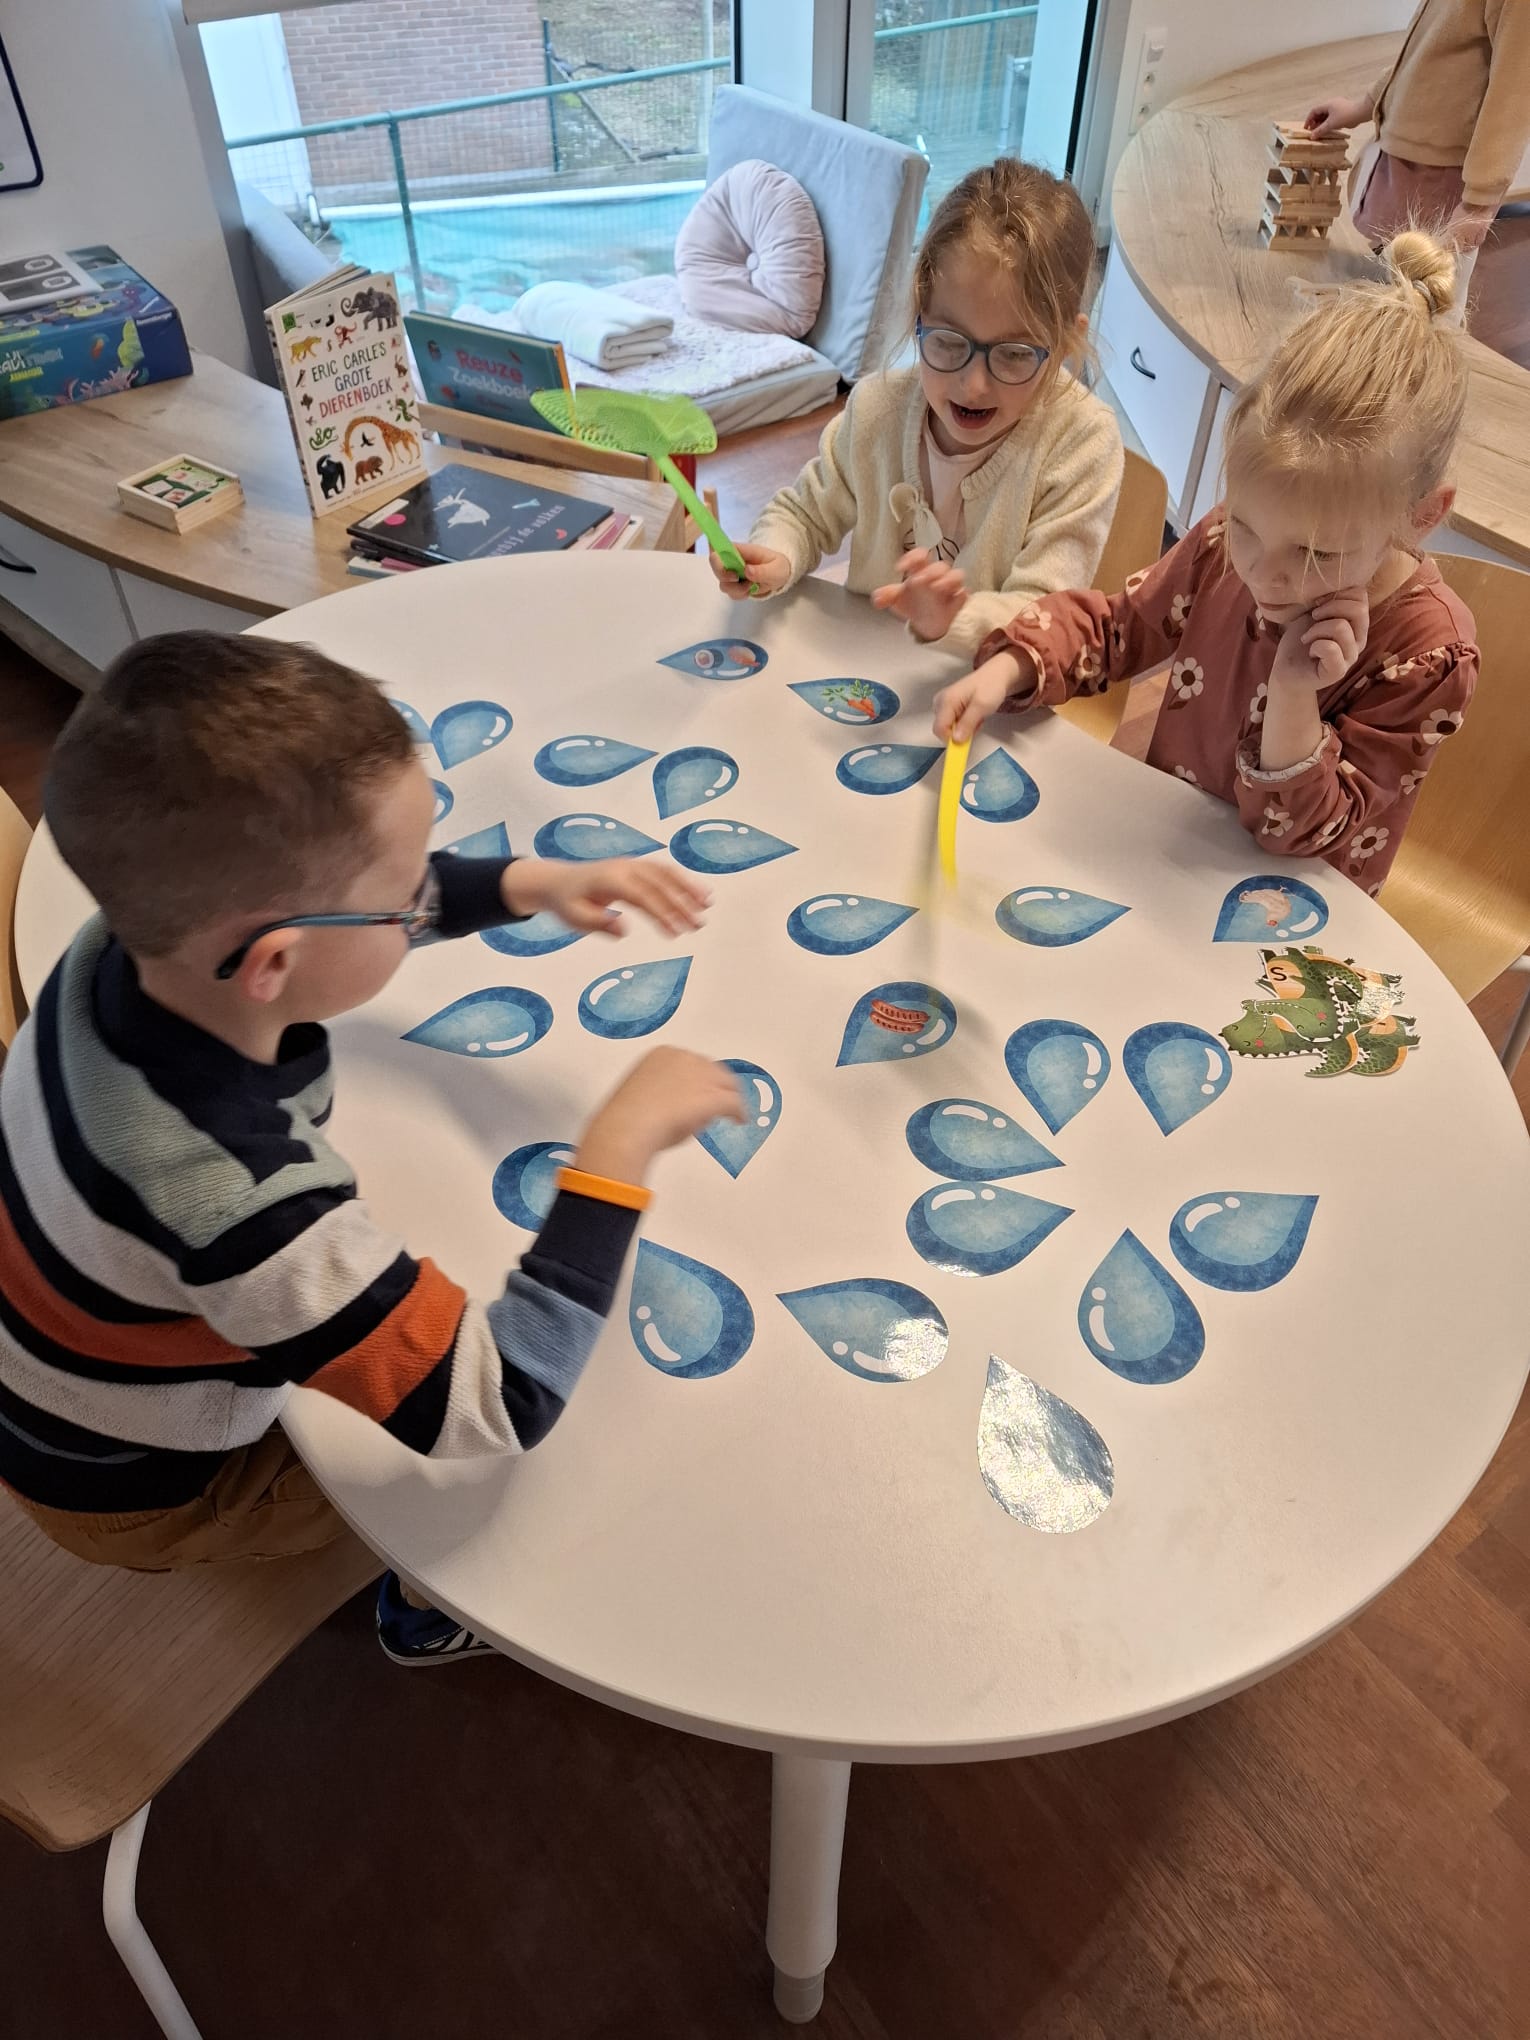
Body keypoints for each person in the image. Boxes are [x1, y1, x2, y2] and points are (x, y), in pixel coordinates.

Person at [0, 633, 743, 1664]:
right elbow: (497, 1398)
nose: (420, 903)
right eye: (404, 902)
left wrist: (527, 881)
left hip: (61, 1351)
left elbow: (325, 913)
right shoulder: (240, 1202)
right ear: (274, 964)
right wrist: (612, 1157)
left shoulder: (126, 944)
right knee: (507, 1500)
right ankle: (429, 1607)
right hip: (139, 1484)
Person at [932, 232, 1477, 894]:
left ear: (1420, 517)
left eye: (1316, 554)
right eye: (1246, 524)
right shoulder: (1224, 542)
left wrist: (1294, 692)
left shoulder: (1429, 653)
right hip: (1169, 859)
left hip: (1288, 914)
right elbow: (1119, 629)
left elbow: (1305, 838)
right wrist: (1010, 666)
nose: (1263, 573)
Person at [709, 157, 1124, 656]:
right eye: (948, 342)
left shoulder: (1082, 443)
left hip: (989, 685)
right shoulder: (877, 407)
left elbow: (1042, 615)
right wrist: (775, 554)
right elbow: (805, 513)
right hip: (864, 673)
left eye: (1014, 355)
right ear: (919, 314)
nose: (973, 386)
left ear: (1064, 345)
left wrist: (952, 620)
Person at [1306, 0, 1530, 327]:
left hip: (1443, 174)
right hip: (1411, 159)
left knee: (1430, 309)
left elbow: (1513, 93)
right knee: (1394, 286)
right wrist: (1364, 105)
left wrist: (1480, 202)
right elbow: (1426, 49)